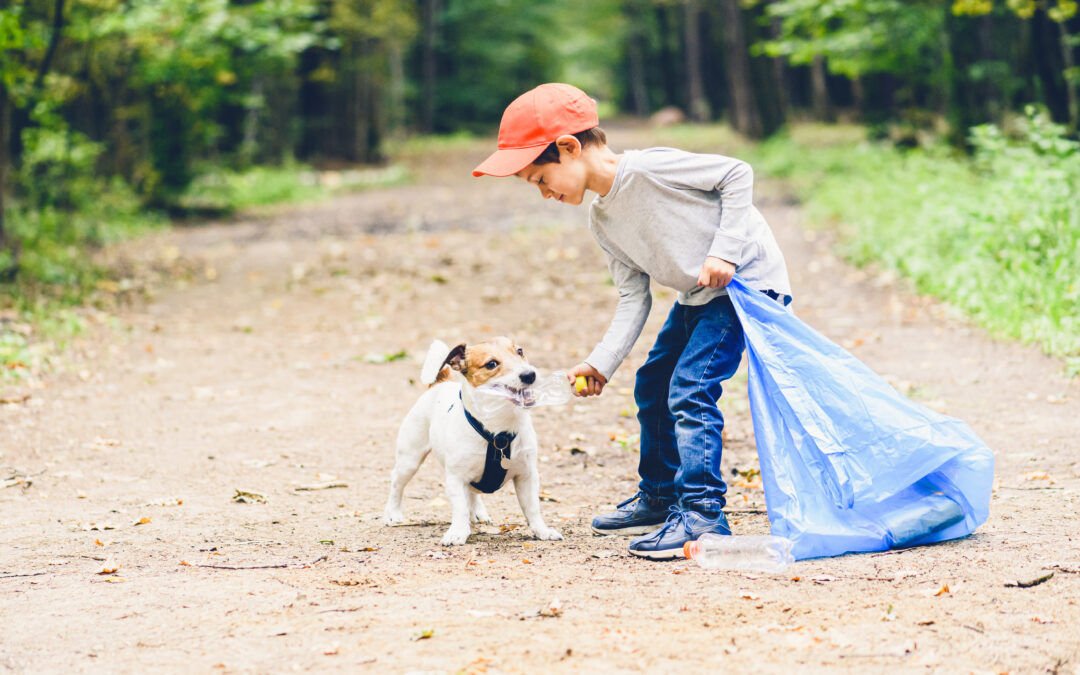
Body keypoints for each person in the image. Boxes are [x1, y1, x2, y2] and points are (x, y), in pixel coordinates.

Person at [472, 83, 791, 559]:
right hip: (699, 294)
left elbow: (736, 173)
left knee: (690, 386)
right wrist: (600, 364)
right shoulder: (602, 220)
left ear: (569, 147)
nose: (544, 193)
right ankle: (661, 496)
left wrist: (725, 249)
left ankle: (703, 512)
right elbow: (632, 297)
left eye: (541, 178)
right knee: (653, 382)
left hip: (746, 286)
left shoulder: (649, 169)